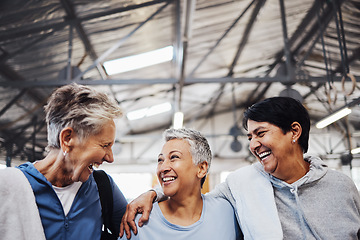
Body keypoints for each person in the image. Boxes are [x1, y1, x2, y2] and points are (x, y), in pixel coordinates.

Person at [120, 97, 360, 239]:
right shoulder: (242, 184)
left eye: (261, 133)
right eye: (249, 137)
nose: (254, 145)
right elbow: (191, 197)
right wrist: (152, 194)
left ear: (294, 132)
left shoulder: (342, 187)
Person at [17, 83, 128, 240]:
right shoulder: (15, 187)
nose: (110, 158)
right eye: (104, 145)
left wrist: (154, 195)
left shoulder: (103, 187)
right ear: (67, 138)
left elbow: (139, 233)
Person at [119, 128, 241, 239]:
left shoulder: (227, 212)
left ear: (201, 168)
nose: (163, 168)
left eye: (174, 157)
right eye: (160, 160)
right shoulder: (139, 222)